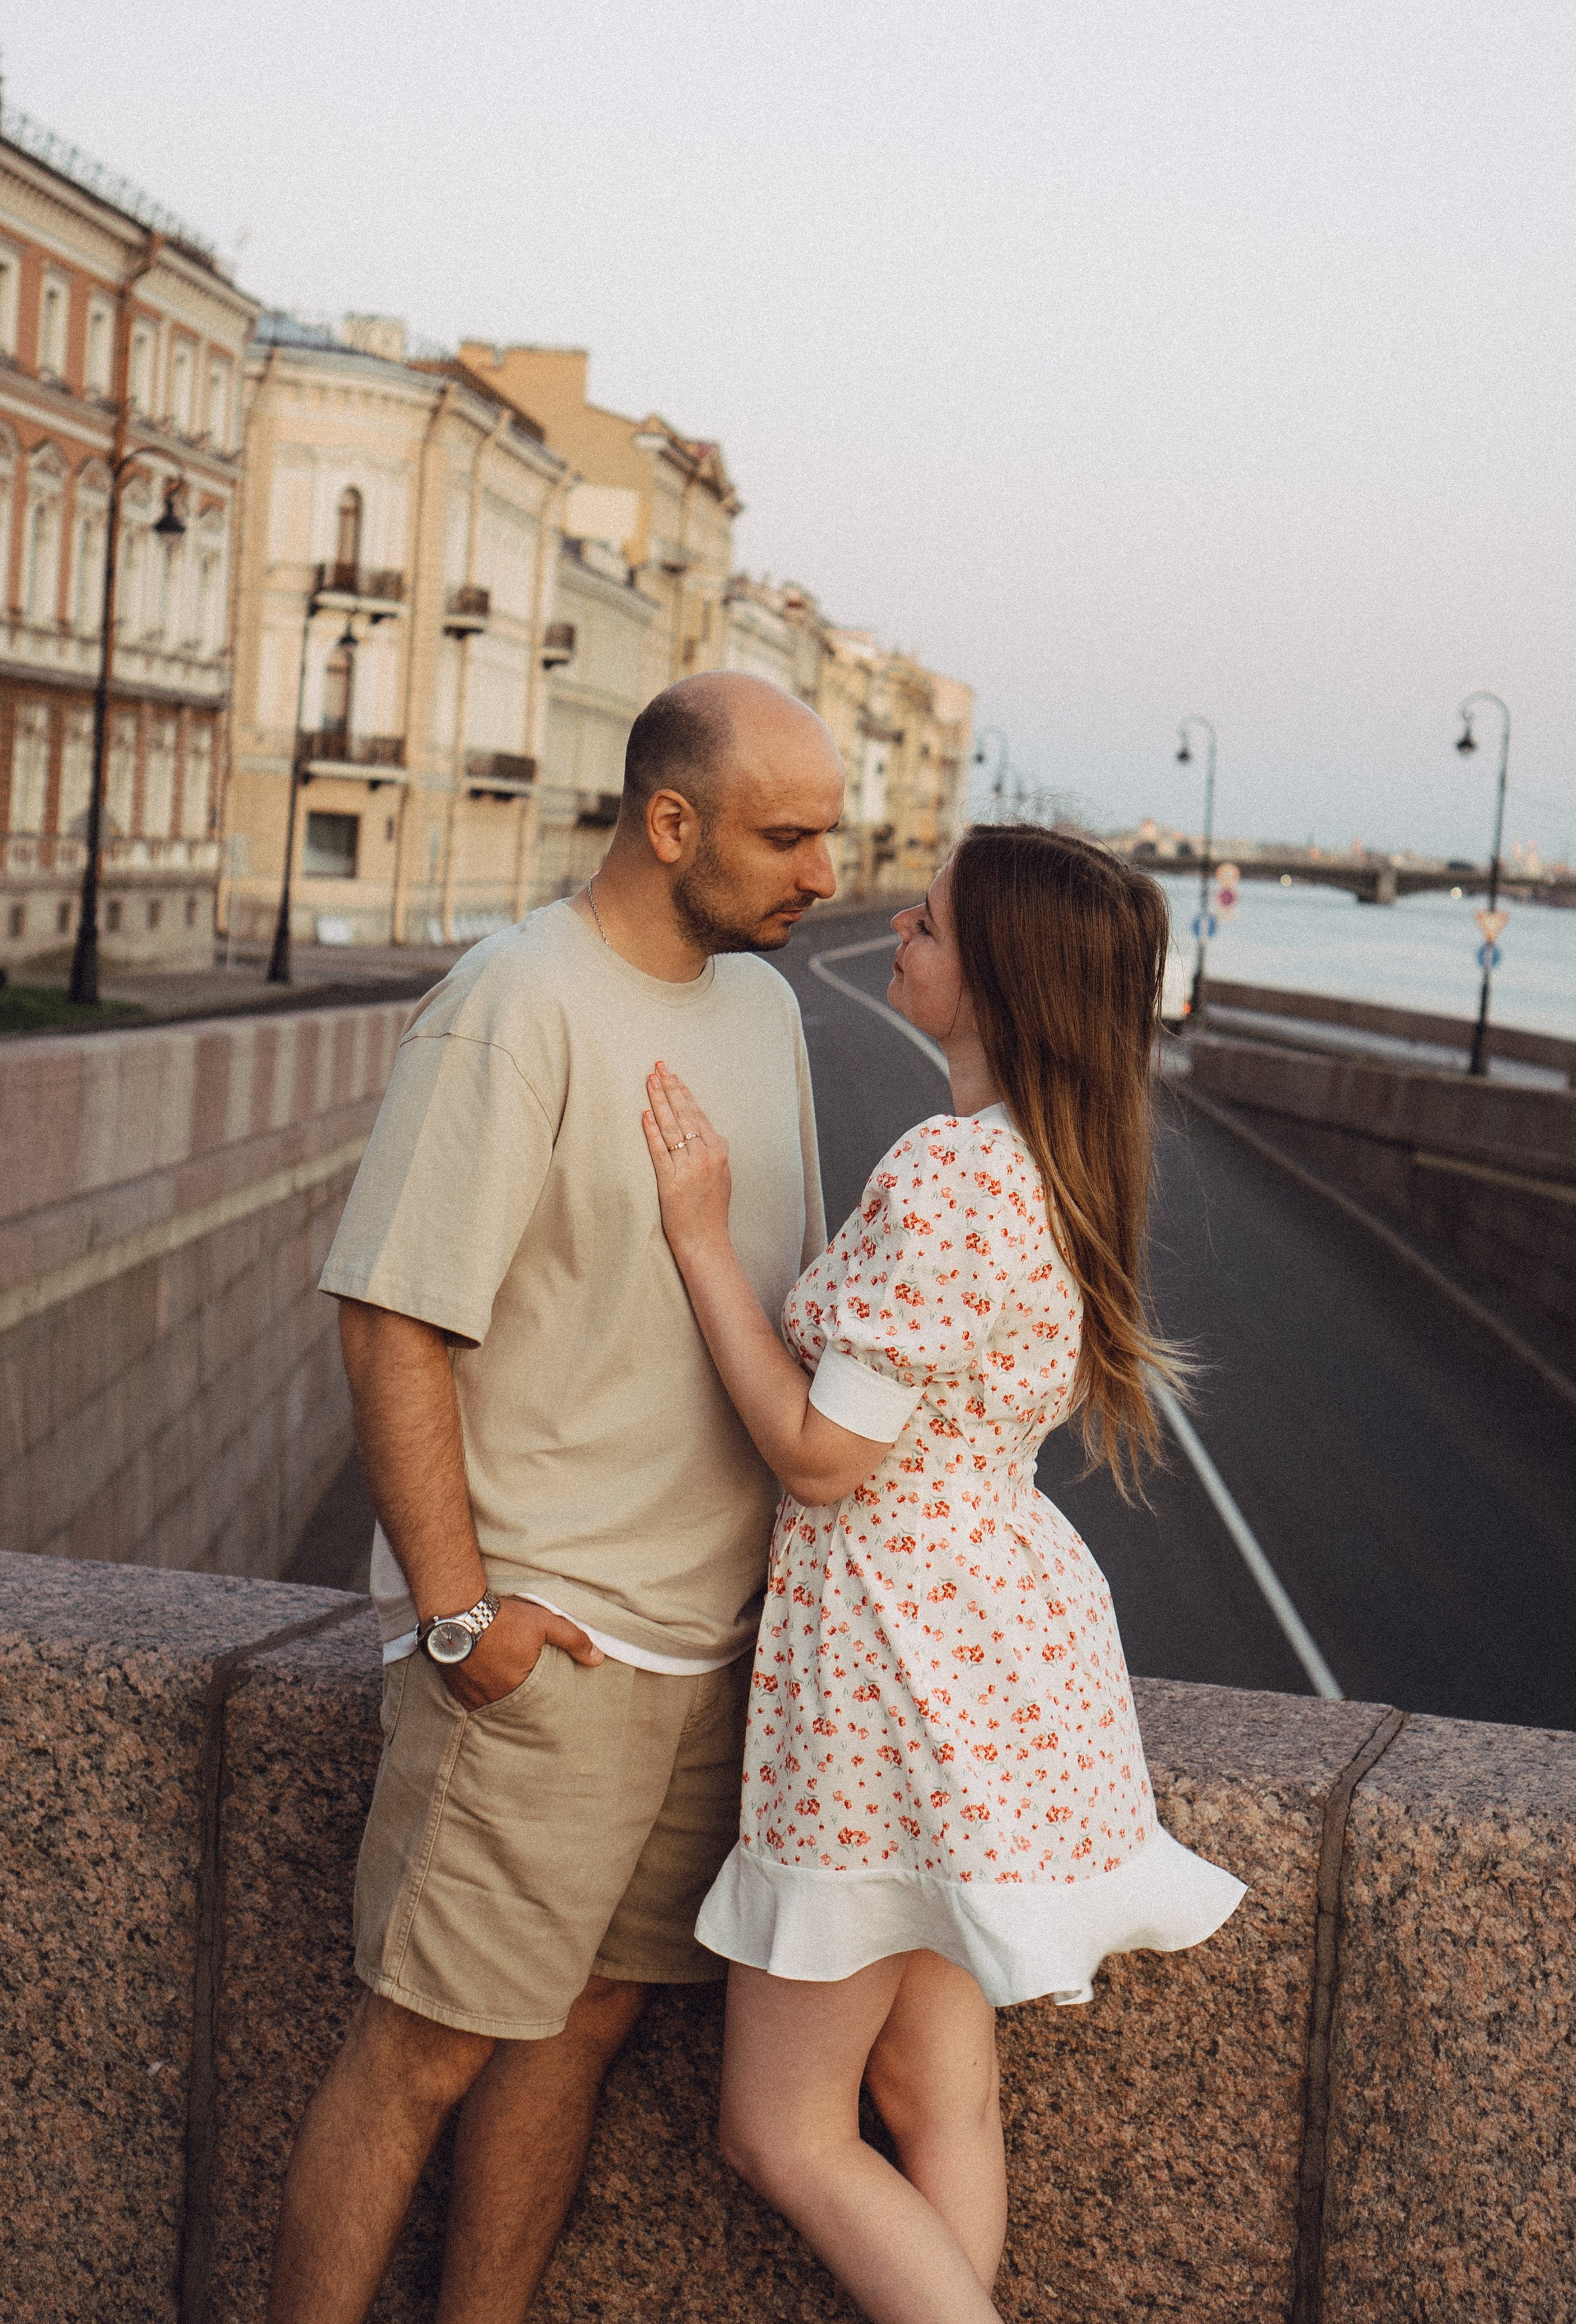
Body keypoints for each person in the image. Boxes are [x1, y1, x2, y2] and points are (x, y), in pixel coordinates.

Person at [266, 672, 842, 2324]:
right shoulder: (514, 1001)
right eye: (785, 839)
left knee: (580, 2029)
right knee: (422, 2053)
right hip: (549, 1655)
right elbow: (392, 1317)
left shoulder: (766, 1011)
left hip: (711, 1653)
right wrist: (460, 1621)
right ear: (669, 824)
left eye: (827, 837)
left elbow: (780, 1303)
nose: (822, 875)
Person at [639, 823, 1245, 2324]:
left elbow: (819, 1458)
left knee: (779, 2127)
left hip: (887, 1666)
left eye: (927, 922)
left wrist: (701, 1240)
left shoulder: (950, 1173)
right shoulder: (1051, 1161)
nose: (897, 930)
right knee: (930, 2094)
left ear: (1001, 979)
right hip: (993, 1645)